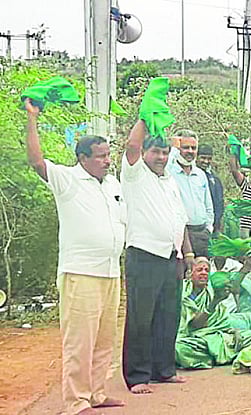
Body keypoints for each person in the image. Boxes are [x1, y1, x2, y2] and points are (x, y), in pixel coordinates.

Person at [25, 99, 127, 414]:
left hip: (110, 271)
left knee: (104, 340)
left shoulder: (112, 183)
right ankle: (76, 400)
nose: (108, 161)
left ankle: (96, 393)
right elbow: (37, 161)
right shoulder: (67, 179)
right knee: (79, 342)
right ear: (83, 158)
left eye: (109, 155)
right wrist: (32, 119)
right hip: (80, 272)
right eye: (101, 156)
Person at [120, 119, 192, 394]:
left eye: (165, 153)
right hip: (144, 255)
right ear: (145, 154)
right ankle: (138, 376)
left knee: (168, 315)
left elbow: (179, 219)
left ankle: (164, 370)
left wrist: (187, 254)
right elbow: (131, 145)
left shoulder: (170, 181)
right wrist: (143, 117)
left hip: (170, 258)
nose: (161, 157)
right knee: (141, 317)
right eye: (156, 152)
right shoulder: (135, 175)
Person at [175, 258, 251, 369]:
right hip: (190, 338)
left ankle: (212, 356)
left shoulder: (211, 291)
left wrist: (233, 331)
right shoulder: (182, 292)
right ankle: (217, 356)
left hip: (212, 336)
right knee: (179, 348)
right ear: (189, 273)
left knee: (250, 336)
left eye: (207, 270)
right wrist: (214, 302)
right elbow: (194, 325)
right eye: (199, 270)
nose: (204, 273)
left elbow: (222, 321)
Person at [167, 130, 214, 257]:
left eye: (193, 148)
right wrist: (173, 148)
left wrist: (209, 228)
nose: (190, 151)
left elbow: (208, 205)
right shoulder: (169, 172)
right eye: (185, 147)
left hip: (201, 234)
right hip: (180, 234)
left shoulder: (200, 174)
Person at [196, 145, 225, 234]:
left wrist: (216, 226)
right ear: (196, 157)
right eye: (203, 158)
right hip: (196, 226)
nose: (206, 161)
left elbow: (219, 203)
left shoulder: (214, 179)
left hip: (212, 226)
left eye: (209, 159)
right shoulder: (191, 177)